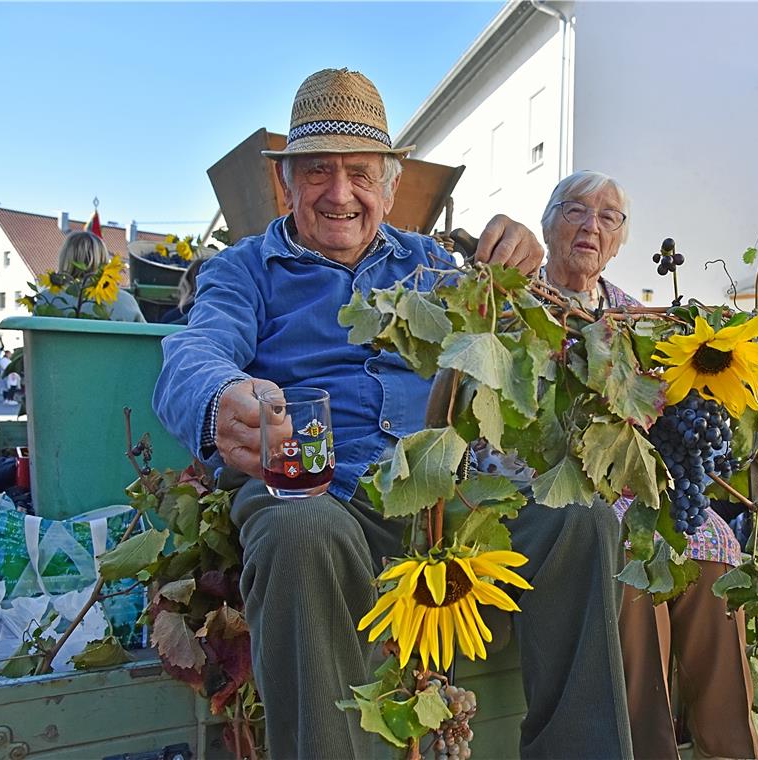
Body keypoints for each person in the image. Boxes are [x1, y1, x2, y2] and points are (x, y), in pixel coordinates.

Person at [153, 69, 633, 759]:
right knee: (299, 532)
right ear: (286, 184)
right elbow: (192, 353)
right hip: (326, 497)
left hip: (448, 504)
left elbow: (516, 337)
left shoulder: (433, 265)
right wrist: (219, 398)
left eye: (359, 173)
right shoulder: (245, 270)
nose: (340, 193)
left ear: (390, 184)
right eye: (318, 171)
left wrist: (521, 268)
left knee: (580, 520)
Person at [537, 170, 758, 758]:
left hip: (628, 482)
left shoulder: (638, 319)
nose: (592, 226)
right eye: (576, 210)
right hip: (551, 489)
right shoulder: (516, 303)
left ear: (620, 239)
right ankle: (647, 747)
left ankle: (729, 748)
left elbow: (666, 418)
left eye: (609, 217)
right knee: (628, 547)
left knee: (711, 539)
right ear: (549, 223)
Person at [37, 231, 146, 322]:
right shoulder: (125, 301)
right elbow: (145, 340)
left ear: (64, 259)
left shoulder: (46, 299)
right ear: (103, 260)